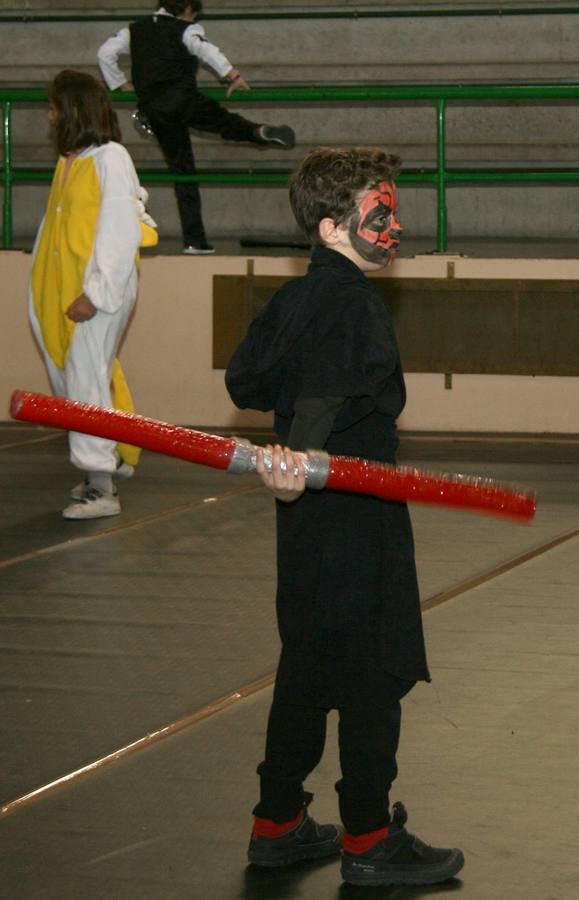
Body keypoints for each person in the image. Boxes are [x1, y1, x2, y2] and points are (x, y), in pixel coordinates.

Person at [225, 146, 464, 886]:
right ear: (333, 227)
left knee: (306, 666)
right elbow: (324, 394)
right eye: (379, 214)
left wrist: (294, 455)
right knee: (371, 672)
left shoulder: (294, 298)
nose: (394, 227)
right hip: (355, 520)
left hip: (306, 533)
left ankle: (278, 822)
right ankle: (367, 837)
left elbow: (247, 379)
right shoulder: (353, 303)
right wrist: (298, 462)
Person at [28, 69, 157, 521]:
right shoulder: (71, 161)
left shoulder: (111, 158)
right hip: (65, 293)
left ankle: (100, 486)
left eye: (54, 107)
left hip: (94, 294)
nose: (49, 115)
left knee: (86, 381)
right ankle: (115, 458)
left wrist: (96, 293)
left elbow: (119, 233)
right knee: (84, 378)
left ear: (74, 110)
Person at [97, 0, 296, 254]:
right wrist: (232, 75)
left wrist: (120, 84)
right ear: (188, 9)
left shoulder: (135, 30)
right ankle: (257, 132)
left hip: (155, 109)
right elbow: (208, 51)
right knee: (224, 122)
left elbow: (104, 53)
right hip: (184, 100)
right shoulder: (186, 30)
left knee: (183, 171)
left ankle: (194, 241)